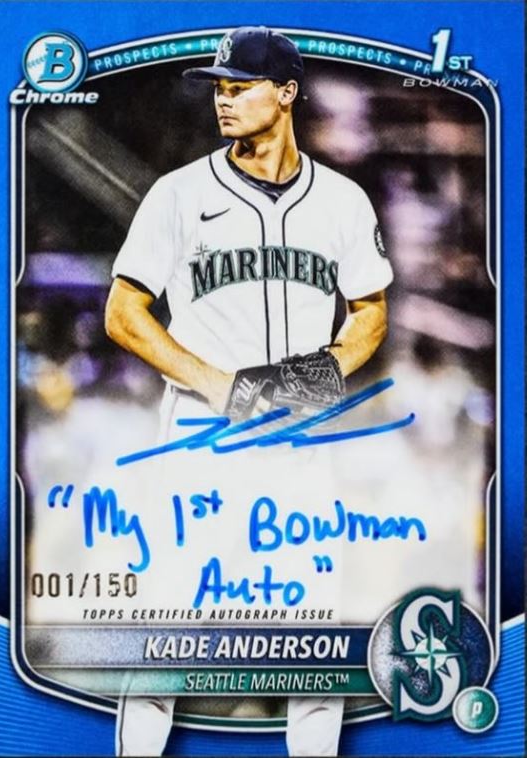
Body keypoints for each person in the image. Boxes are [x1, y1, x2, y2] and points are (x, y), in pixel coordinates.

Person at [106, 25, 393, 757]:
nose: (224, 100)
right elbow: (123, 314)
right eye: (220, 88)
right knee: (167, 638)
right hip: (200, 437)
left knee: (314, 644)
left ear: (287, 93)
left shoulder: (343, 201)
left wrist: (319, 374)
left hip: (297, 441)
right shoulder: (177, 194)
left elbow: (370, 312)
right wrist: (222, 385)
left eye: (241, 86)